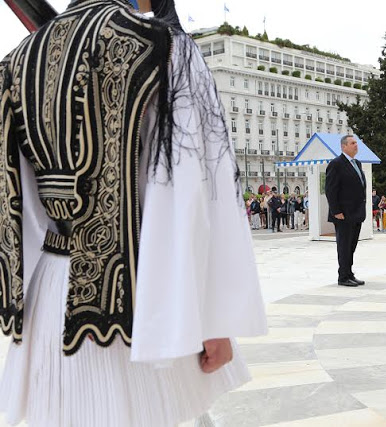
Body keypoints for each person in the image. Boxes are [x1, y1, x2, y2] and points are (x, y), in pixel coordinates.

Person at [0, 1, 268, 426]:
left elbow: (17, 198)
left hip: (48, 293)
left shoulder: (18, 60)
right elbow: (194, 193)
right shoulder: (165, 46)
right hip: (139, 295)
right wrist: (212, 318)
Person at [325, 135, 367, 287]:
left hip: (356, 213)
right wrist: (336, 211)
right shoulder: (336, 164)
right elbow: (330, 189)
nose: (356, 145)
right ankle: (342, 277)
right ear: (344, 147)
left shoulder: (357, 163)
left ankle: (349, 273)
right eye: (352, 143)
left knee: (351, 246)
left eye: (356, 143)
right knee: (344, 246)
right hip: (343, 214)